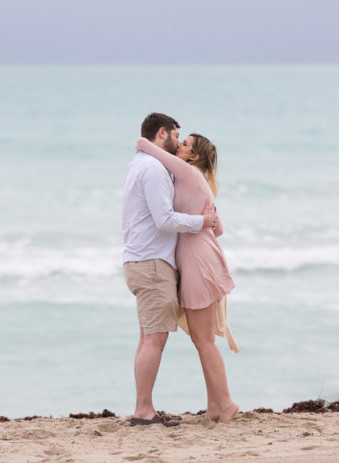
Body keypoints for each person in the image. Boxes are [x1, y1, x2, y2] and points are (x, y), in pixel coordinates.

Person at [135, 132, 239, 423]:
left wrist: (143, 143)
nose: (178, 146)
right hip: (196, 258)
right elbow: (218, 228)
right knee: (201, 339)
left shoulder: (190, 172)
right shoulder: (195, 178)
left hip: (198, 262)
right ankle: (215, 407)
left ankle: (226, 403)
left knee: (204, 340)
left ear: (193, 156)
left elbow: (157, 153)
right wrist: (205, 222)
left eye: (184, 144)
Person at [122, 113, 216, 427]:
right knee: (155, 339)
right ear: (163, 133)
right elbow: (165, 219)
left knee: (147, 337)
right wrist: (201, 222)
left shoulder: (141, 164)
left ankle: (143, 407)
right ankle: (143, 412)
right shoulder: (153, 169)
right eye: (176, 135)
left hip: (142, 261)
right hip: (151, 264)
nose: (178, 142)